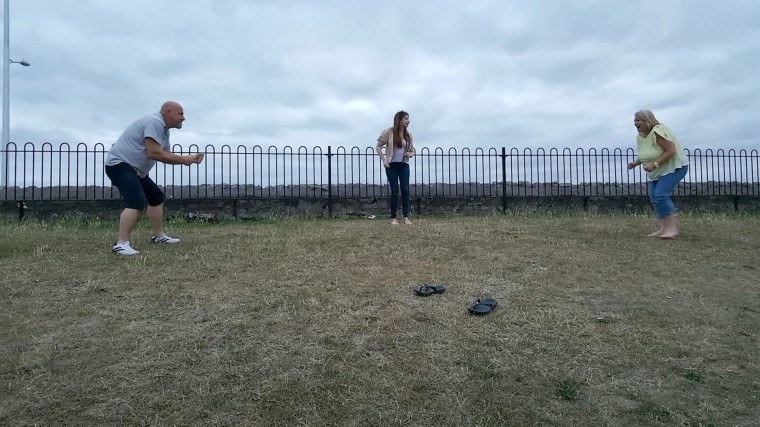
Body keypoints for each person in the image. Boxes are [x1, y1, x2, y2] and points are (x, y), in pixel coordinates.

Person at [104, 101, 204, 255]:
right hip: (120, 165)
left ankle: (158, 237)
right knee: (135, 201)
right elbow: (154, 153)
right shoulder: (155, 122)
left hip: (135, 169)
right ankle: (120, 244)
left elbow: (166, 155)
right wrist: (185, 160)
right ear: (167, 111)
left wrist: (188, 158)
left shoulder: (164, 131)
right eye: (180, 114)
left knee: (156, 197)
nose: (183, 118)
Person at [627, 110, 689, 238]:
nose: (635, 123)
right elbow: (646, 154)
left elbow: (671, 151)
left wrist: (654, 164)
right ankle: (663, 228)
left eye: (638, 120)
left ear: (647, 120)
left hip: (674, 168)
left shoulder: (658, 131)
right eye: (634, 120)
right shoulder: (641, 137)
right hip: (658, 171)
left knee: (660, 195)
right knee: (654, 197)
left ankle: (672, 228)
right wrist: (635, 163)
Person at [375, 111, 415, 225]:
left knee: (405, 189)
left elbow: (412, 150)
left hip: (404, 165)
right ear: (400, 120)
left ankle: (406, 217)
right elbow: (378, 147)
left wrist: (409, 154)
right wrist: (384, 160)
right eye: (406, 118)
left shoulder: (409, 135)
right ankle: (393, 218)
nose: (408, 121)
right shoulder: (389, 132)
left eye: (408, 118)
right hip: (391, 165)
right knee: (394, 190)